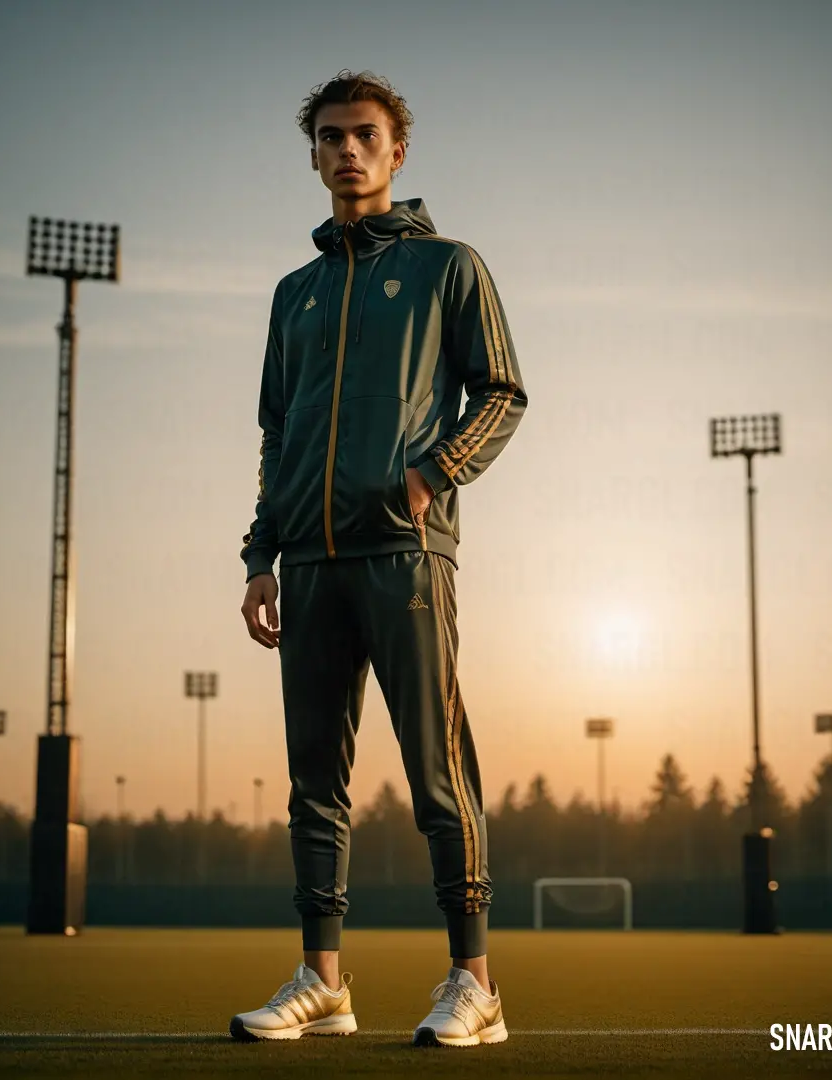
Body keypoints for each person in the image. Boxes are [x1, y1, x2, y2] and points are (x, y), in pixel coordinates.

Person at [229, 69, 527, 1049]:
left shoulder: (449, 266)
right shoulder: (294, 294)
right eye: (330, 136)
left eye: (365, 134)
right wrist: (260, 553)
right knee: (313, 779)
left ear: (397, 152)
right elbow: (278, 434)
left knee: (437, 771)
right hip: (306, 564)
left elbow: (502, 395)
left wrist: (431, 474)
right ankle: (325, 981)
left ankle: (475, 983)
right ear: (313, 155)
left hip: (405, 557)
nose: (347, 149)